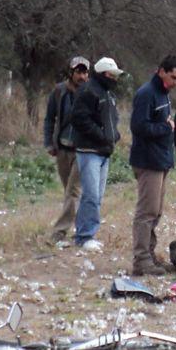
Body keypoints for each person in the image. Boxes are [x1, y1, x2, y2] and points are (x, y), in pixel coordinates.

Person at [129, 54, 176, 275]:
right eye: (174, 77)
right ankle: (141, 260)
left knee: (157, 211)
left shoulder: (163, 94)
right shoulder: (146, 94)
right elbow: (139, 127)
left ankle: (150, 255)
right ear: (161, 71)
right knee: (146, 212)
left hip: (162, 160)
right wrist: (167, 128)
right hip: (148, 161)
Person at [70, 57, 124, 250]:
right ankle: (84, 236)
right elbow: (80, 119)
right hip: (89, 151)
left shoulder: (108, 94)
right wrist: (102, 136)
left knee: (98, 195)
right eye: (112, 75)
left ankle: (88, 232)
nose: (115, 79)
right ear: (103, 74)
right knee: (91, 195)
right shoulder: (87, 91)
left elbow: (112, 120)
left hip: (104, 152)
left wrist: (114, 136)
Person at [42, 56, 90, 243]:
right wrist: (49, 143)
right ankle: (82, 228)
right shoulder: (59, 91)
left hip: (82, 149)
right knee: (69, 190)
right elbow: (49, 118)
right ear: (71, 72)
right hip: (62, 148)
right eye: (78, 72)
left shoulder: (91, 93)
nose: (81, 76)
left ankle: (59, 232)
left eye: (84, 72)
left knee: (73, 191)